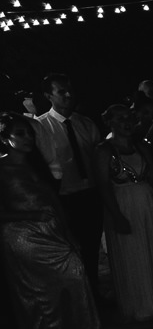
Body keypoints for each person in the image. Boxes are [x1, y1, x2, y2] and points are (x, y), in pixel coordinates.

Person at [0, 112, 99, 329]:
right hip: (22, 236)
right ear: (4, 138)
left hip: (52, 231)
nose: (27, 138)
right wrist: (31, 217)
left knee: (75, 269)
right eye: (20, 134)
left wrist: (67, 232)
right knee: (38, 291)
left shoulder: (36, 164)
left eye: (30, 133)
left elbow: (54, 201)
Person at [96, 105, 153, 322]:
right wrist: (116, 216)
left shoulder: (141, 146)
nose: (126, 122)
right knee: (132, 253)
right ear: (110, 122)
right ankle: (139, 303)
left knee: (152, 248)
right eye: (120, 118)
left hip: (147, 203)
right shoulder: (104, 150)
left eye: (128, 118)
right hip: (123, 204)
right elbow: (103, 186)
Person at [32, 73, 104, 293]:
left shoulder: (85, 123)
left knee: (92, 248)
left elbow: (97, 159)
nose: (68, 95)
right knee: (70, 251)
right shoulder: (41, 126)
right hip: (64, 197)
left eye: (69, 90)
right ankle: (78, 297)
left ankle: (94, 294)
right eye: (61, 91)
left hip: (89, 193)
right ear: (48, 96)